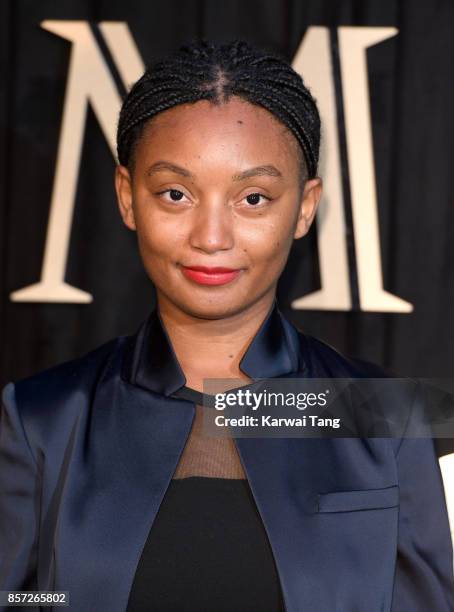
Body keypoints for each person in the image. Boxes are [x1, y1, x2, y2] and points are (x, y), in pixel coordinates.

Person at [0, 39, 453, 612]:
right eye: (175, 193)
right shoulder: (43, 417)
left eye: (254, 198)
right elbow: (23, 601)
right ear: (127, 196)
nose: (211, 237)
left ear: (305, 207)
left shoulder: (385, 417)